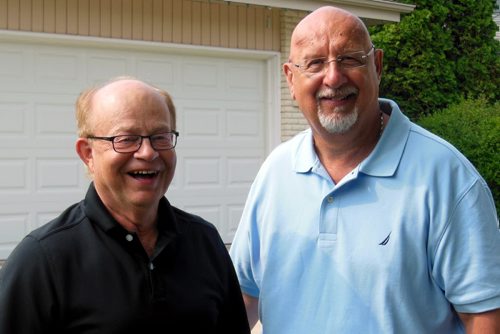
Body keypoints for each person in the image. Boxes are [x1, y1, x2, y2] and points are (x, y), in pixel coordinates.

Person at [229, 6, 500, 334]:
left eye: (350, 59)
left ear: (377, 66)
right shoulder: (275, 172)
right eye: (315, 63)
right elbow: (243, 295)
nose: (333, 77)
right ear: (290, 78)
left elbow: (485, 315)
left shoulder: (447, 178)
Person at [0, 77, 250, 334]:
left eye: (160, 137)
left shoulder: (204, 242)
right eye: (126, 139)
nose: (147, 152)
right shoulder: (43, 261)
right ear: (88, 153)